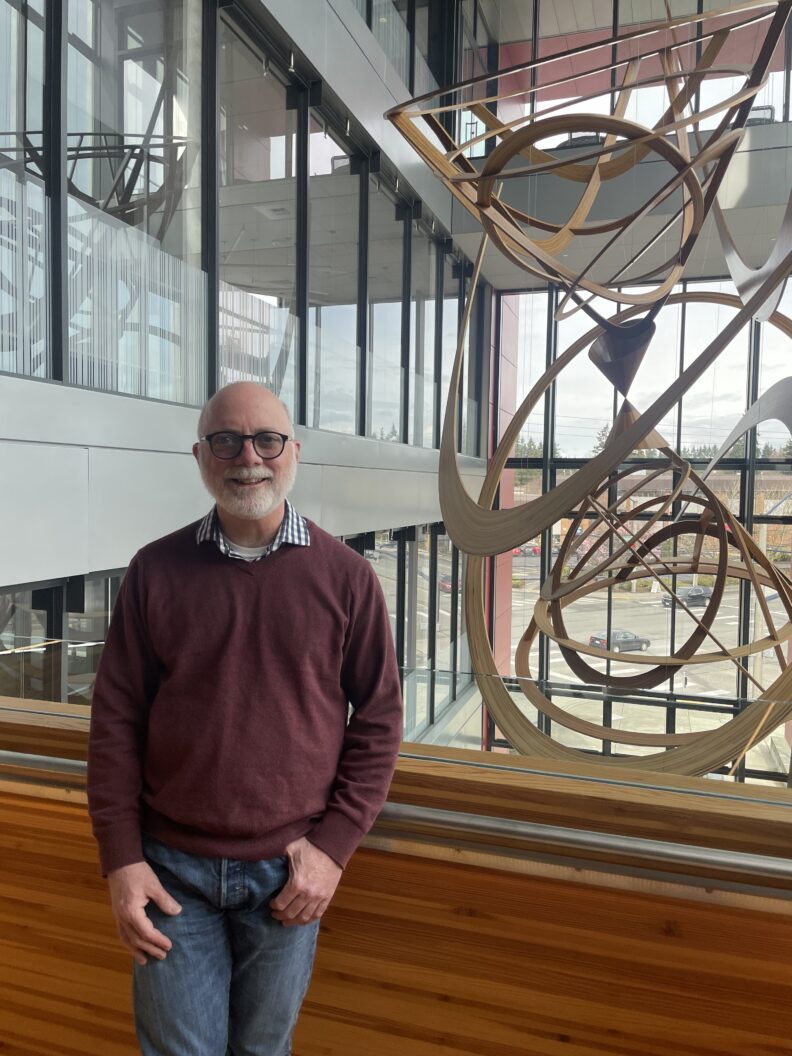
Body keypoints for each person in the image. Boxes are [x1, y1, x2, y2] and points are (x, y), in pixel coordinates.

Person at [87, 381, 403, 1056]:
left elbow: (378, 720)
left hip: (289, 873)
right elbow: (115, 722)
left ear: (294, 453)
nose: (248, 458)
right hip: (169, 873)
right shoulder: (154, 571)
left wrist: (333, 851)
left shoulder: (347, 578)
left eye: (267, 440)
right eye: (226, 441)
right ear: (201, 456)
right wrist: (121, 860)